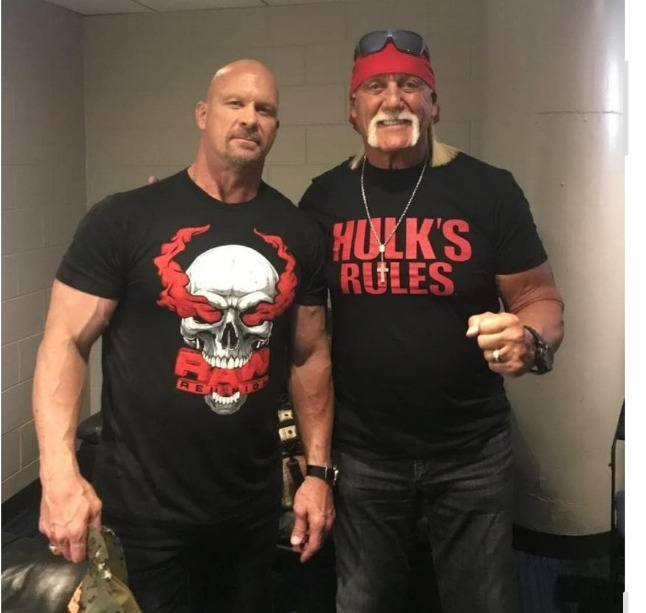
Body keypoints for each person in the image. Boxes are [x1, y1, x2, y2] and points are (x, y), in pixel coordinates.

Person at [32, 59, 335, 613]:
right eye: (234, 103)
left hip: (247, 509)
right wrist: (58, 473)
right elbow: (64, 342)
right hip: (141, 511)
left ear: (276, 126)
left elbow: (309, 356)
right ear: (202, 113)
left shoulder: (298, 233)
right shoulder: (124, 219)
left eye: (265, 109)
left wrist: (316, 473)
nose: (250, 118)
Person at [298, 30, 565, 613]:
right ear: (352, 110)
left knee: (483, 603)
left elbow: (540, 299)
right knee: (364, 602)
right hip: (364, 453)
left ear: (434, 105)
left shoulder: (488, 190)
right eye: (375, 86)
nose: (394, 99)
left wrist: (529, 339)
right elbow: (307, 338)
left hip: (472, 451)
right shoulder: (323, 199)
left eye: (410, 85)